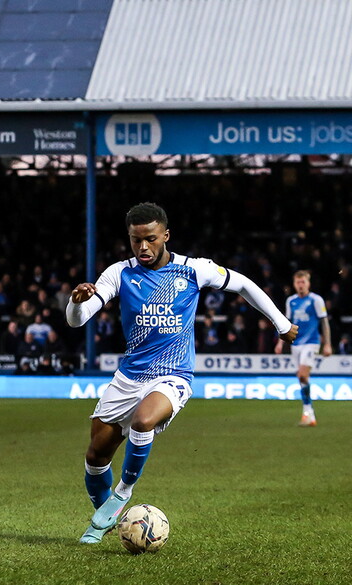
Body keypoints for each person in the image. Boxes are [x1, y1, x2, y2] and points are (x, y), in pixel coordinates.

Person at [67, 202, 297, 544]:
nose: (143, 247)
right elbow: (78, 320)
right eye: (135, 240)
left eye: (150, 239)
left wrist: (280, 323)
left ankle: (124, 491)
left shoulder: (193, 270)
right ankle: (110, 523)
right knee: (95, 456)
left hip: (173, 374)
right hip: (129, 377)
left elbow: (244, 284)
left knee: (144, 422)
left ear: (166, 236)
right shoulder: (119, 273)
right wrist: (75, 301)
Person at [275, 270, 331, 427]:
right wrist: (280, 343)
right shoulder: (290, 301)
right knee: (302, 379)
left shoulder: (316, 300)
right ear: (294, 284)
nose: (300, 285)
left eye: (303, 282)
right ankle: (309, 414)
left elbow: (324, 322)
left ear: (308, 283)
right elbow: (287, 323)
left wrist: (327, 344)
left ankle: (308, 412)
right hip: (296, 344)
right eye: (298, 282)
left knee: (302, 375)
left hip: (311, 342)